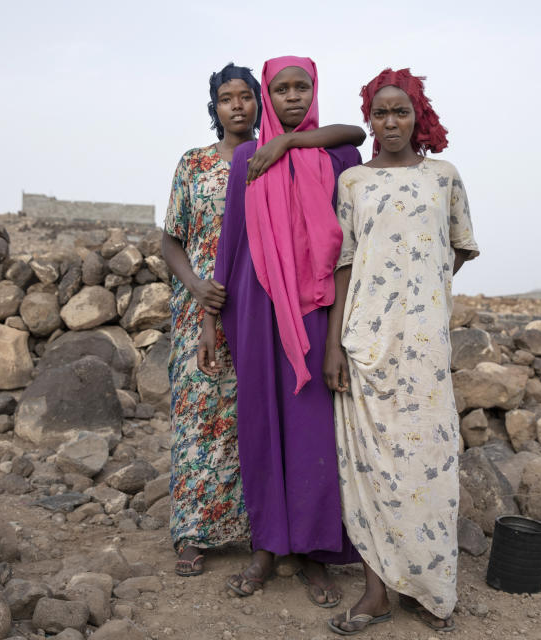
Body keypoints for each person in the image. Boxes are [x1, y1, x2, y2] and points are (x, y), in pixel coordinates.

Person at [162, 62, 364, 578]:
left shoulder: (324, 154)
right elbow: (209, 242)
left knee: (297, 425)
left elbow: (354, 136)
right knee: (235, 424)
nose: (291, 97)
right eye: (282, 89)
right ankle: (234, 537)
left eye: (303, 88)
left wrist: (290, 144)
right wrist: (207, 312)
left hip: (306, 304)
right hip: (234, 305)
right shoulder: (223, 161)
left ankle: (298, 544)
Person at [323, 68, 479, 635]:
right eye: (380, 112)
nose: (391, 121)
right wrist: (337, 343)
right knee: (368, 467)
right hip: (365, 343)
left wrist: (421, 293)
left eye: (401, 111)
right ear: (369, 118)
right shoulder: (354, 184)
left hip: (424, 348)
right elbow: (345, 265)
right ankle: (376, 592)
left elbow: (455, 249)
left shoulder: (444, 178)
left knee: (430, 465)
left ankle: (432, 589)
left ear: (418, 116)